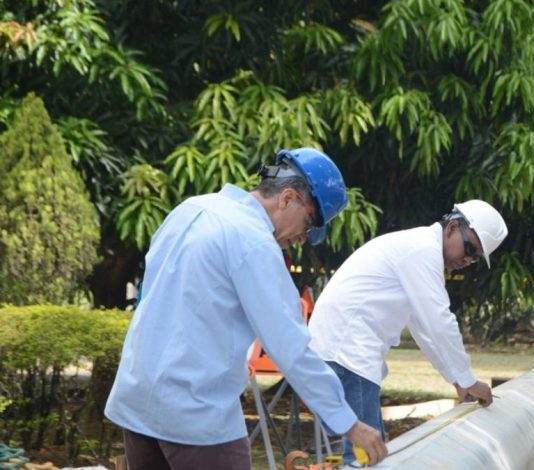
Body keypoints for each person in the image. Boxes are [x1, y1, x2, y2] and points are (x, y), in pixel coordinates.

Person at [104, 148, 388, 469]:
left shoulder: (190, 209)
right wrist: (349, 423)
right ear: (288, 198)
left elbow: (153, 297)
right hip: (194, 413)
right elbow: (290, 347)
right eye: (309, 224)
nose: (304, 239)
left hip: (138, 399)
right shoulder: (253, 242)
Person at [308, 200, 508, 464]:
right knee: (365, 457)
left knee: (370, 452)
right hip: (347, 354)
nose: (468, 260)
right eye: (469, 248)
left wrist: (458, 380)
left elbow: (424, 329)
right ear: (453, 227)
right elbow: (439, 322)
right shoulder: (422, 251)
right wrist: (468, 380)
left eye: (475, 258)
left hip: (346, 353)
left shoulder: (419, 251)